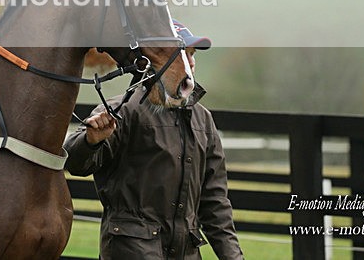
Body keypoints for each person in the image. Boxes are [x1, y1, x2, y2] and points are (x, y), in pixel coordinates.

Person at [64, 20, 244, 260]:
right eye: (180, 54)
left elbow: (215, 202)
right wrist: (91, 140)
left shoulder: (204, 120)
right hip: (131, 252)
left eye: (191, 54)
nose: (188, 62)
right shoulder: (123, 110)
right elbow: (74, 163)